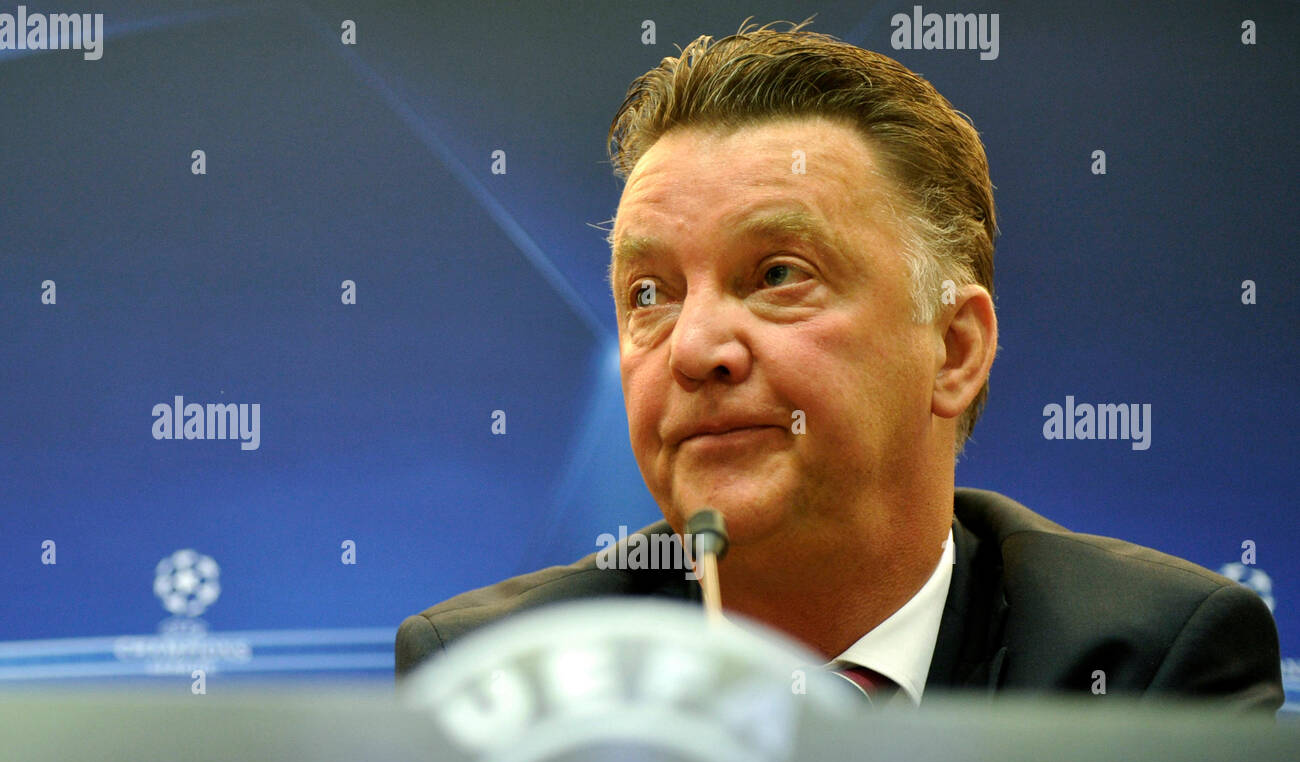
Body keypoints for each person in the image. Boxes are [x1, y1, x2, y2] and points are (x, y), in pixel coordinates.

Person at [396, 20, 1283, 712]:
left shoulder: (1142, 666)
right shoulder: (501, 680)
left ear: (955, 350)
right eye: (649, 294)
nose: (696, 348)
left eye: (779, 275)